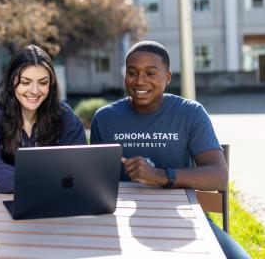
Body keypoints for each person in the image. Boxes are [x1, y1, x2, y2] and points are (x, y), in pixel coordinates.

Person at [90, 40, 249, 259]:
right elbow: (95, 184)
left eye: (151, 73)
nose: (140, 81)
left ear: (168, 77)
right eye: (132, 72)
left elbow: (219, 177)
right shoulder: (105, 118)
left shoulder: (190, 113)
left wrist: (160, 176)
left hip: (187, 217)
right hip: (121, 221)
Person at [0, 44, 86, 193]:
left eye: (43, 82)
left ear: (51, 84)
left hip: (53, 205)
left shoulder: (63, 115)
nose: (35, 91)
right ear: (12, 82)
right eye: (25, 82)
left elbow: (78, 166)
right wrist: (48, 181)